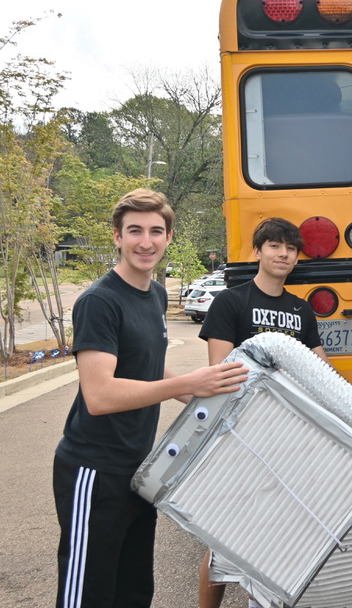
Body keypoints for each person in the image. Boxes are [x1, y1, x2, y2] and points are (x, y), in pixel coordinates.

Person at [54, 189, 249, 608]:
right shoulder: (99, 302)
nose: (146, 241)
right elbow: (100, 395)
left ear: (169, 237)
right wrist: (188, 384)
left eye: (156, 231)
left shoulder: (155, 295)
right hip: (94, 469)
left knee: (133, 591)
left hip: (140, 469)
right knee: (87, 595)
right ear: (117, 237)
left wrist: (202, 397)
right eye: (135, 231)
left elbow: (148, 363)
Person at [196, 217, 328, 608]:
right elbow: (220, 370)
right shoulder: (231, 301)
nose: (283, 253)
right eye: (274, 245)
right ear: (257, 252)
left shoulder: (302, 311)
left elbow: (320, 373)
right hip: (238, 434)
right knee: (221, 537)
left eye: (290, 248)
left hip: (286, 436)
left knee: (273, 533)